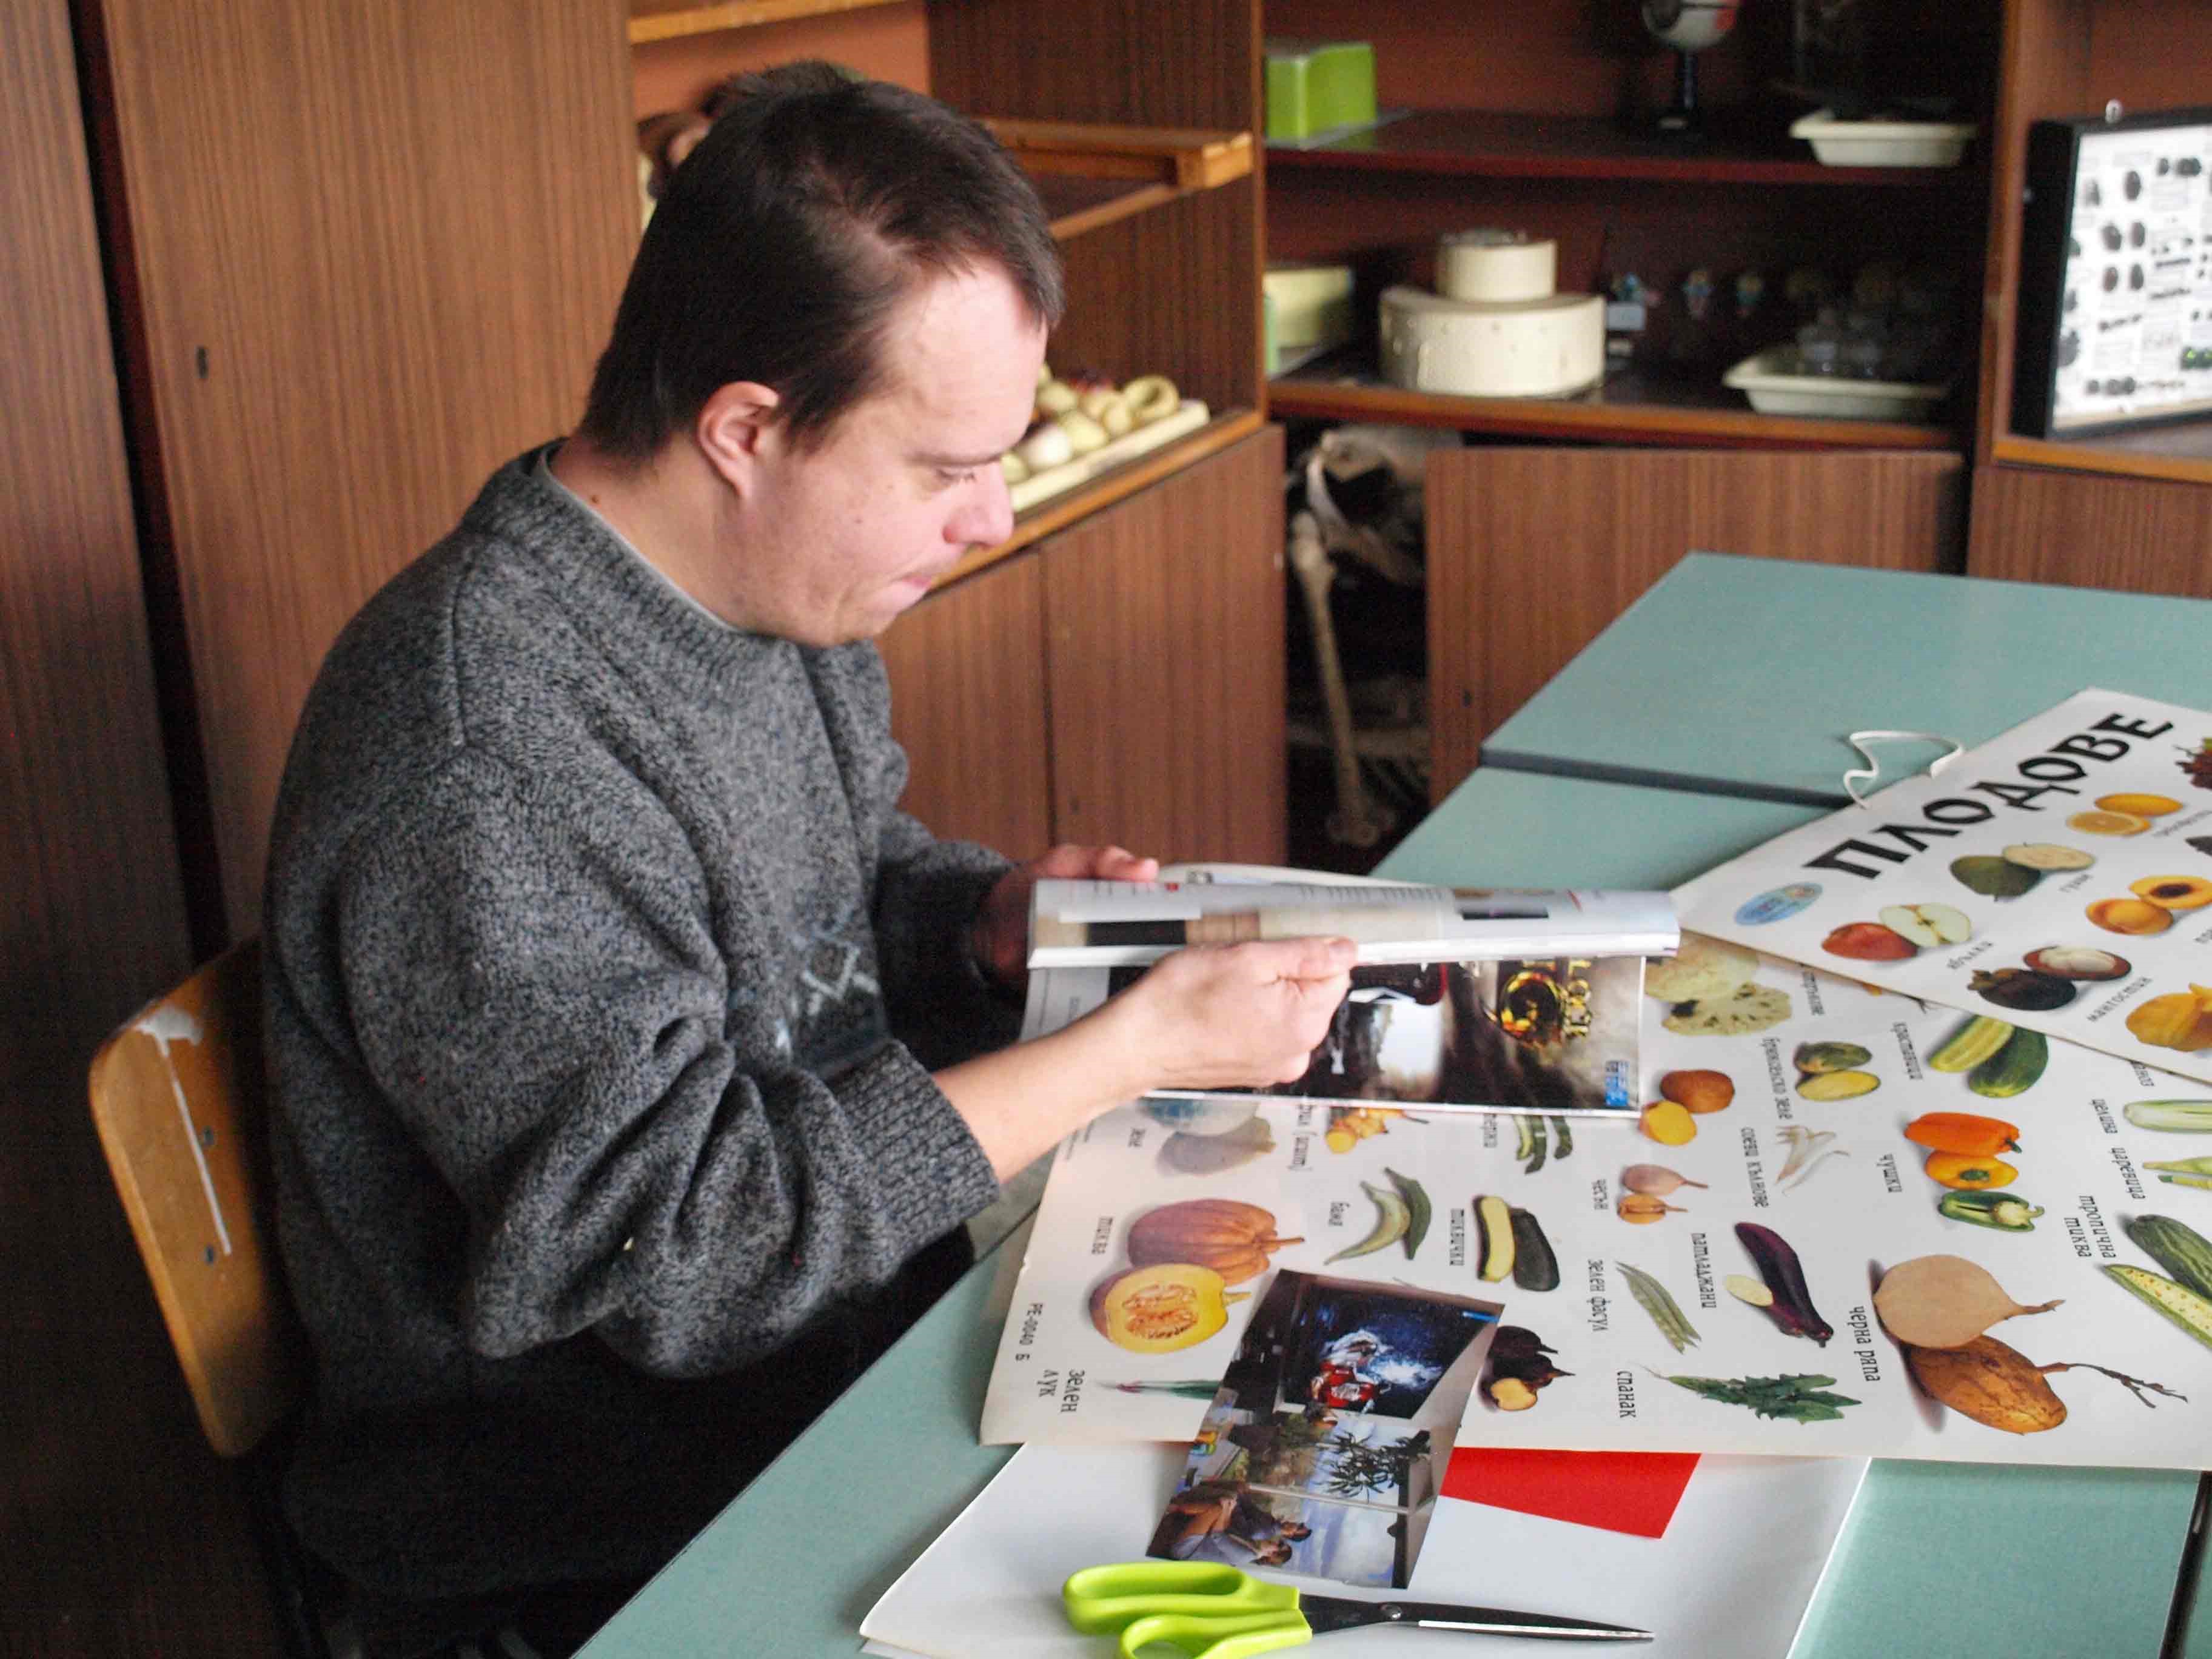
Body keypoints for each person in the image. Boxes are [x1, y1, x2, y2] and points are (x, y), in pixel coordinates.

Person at [261, 62, 1353, 1658]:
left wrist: (976, 925)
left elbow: (816, 894)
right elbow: (683, 1260)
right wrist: (1133, 1051)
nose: (985, 520)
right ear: (748, 430)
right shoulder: (480, 758)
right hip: (598, 1532)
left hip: (834, 1367)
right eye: (943, 468)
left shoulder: (767, 592)